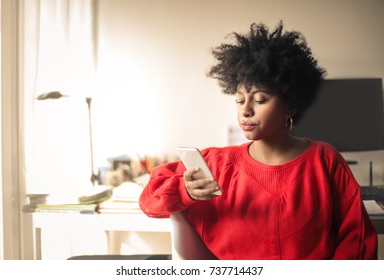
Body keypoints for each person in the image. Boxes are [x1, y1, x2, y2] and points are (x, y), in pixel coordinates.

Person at [139, 21, 378, 259]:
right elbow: (149, 199)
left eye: (260, 99)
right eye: (240, 100)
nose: (246, 110)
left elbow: (356, 240)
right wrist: (184, 190)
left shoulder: (324, 160)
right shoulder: (215, 164)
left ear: (290, 106)